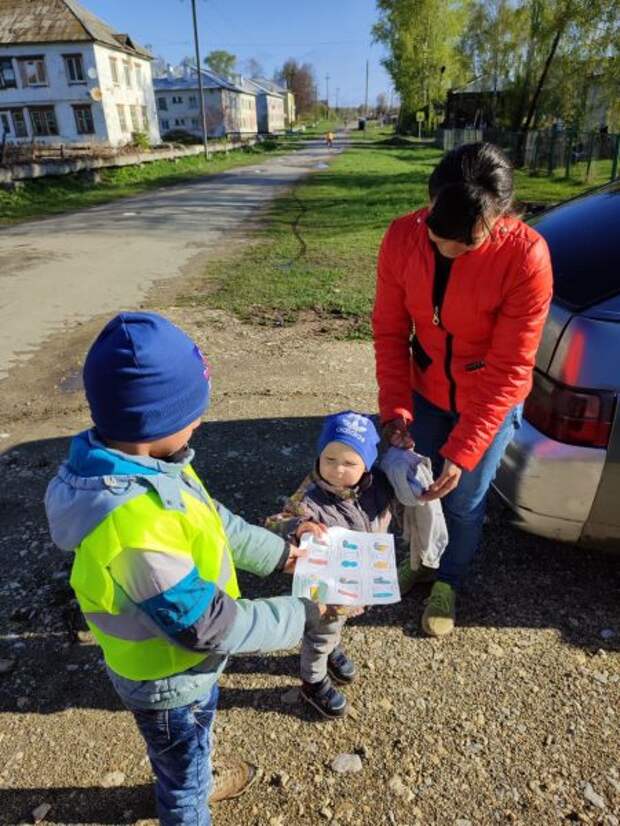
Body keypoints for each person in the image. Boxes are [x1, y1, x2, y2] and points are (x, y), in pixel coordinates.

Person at [45, 312, 324, 826]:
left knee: (188, 745)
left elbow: (214, 520)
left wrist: (283, 553)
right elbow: (205, 625)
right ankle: (188, 802)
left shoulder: (149, 464)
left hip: (183, 672)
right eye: (193, 413)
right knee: (183, 773)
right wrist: (301, 614)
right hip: (168, 680)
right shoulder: (134, 522)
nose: (199, 422)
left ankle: (192, 773)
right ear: (154, 421)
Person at [372, 142, 553, 637]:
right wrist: (396, 410)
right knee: (417, 486)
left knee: (464, 497)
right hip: (426, 387)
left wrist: (466, 447)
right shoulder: (401, 237)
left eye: (466, 243)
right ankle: (424, 559)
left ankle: (448, 579)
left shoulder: (526, 256)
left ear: (502, 217)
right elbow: (390, 332)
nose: (446, 249)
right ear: (428, 203)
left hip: (489, 396)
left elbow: (513, 364)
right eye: (436, 235)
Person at [266, 411, 391, 719]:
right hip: (323, 588)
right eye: (330, 459)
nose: (337, 470)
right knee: (320, 633)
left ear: (367, 466)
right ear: (319, 455)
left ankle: (330, 647)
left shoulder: (375, 489)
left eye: (350, 463)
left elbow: (406, 498)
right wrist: (300, 527)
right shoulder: (311, 494)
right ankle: (312, 680)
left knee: (334, 627)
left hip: (354, 580)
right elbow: (274, 524)